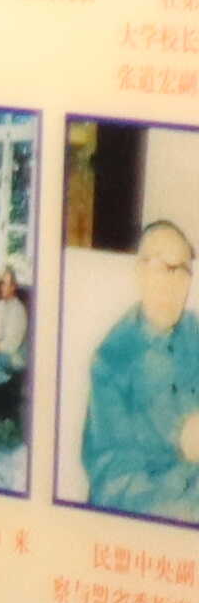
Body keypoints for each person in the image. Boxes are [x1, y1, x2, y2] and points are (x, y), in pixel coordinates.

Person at [90, 219, 199, 520]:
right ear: (139, 273)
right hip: (164, 507)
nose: (172, 284)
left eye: (182, 271)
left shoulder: (194, 332)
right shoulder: (111, 361)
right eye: (161, 267)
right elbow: (114, 485)